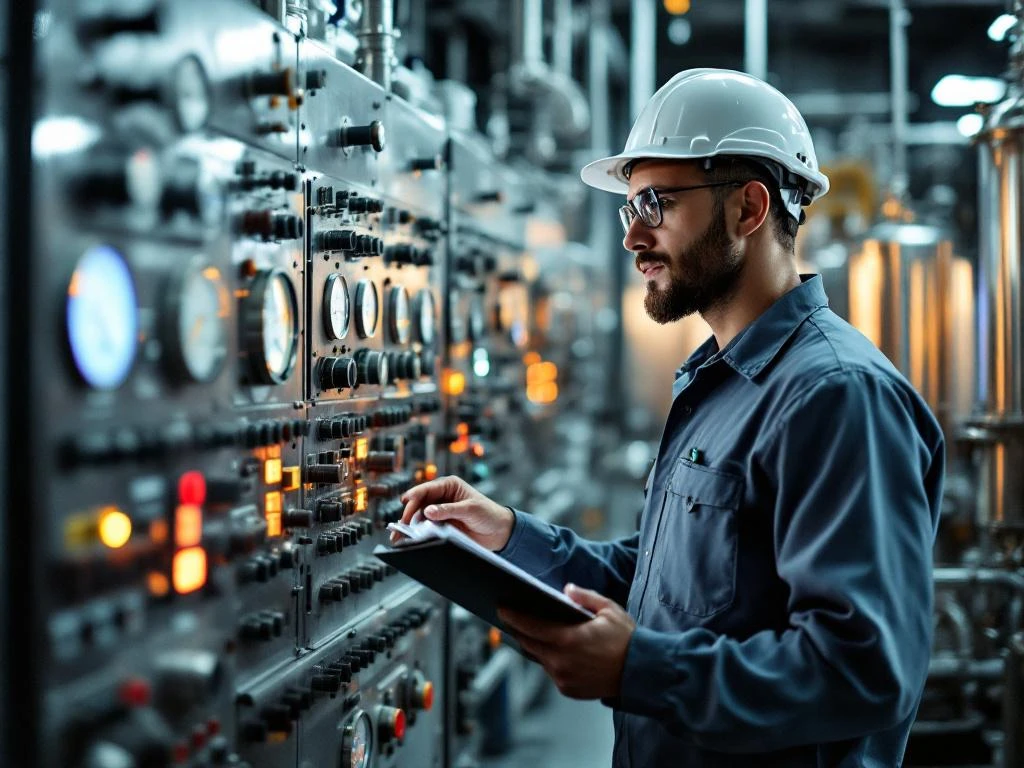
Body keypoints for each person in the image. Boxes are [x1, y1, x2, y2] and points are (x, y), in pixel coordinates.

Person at [397, 68, 944, 767]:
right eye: (631, 210)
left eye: (655, 204)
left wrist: (641, 670)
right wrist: (508, 539)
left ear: (748, 209)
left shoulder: (836, 396)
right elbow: (669, 589)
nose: (632, 238)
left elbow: (863, 671)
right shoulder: (721, 379)